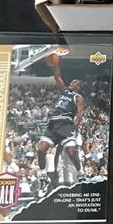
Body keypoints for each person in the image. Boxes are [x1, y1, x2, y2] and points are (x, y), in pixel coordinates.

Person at [35, 55, 85, 195]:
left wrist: (76, 123)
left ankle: (81, 174)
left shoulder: (78, 97)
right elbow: (57, 77)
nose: (72, 82)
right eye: (72, 81)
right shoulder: (64, 91)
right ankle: (43, 177)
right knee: (41, 149)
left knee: (71, 152)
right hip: (53, 123)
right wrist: (56, 64)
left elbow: (80, 112)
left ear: (78, 87)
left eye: (74, 82)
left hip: (66, 124)